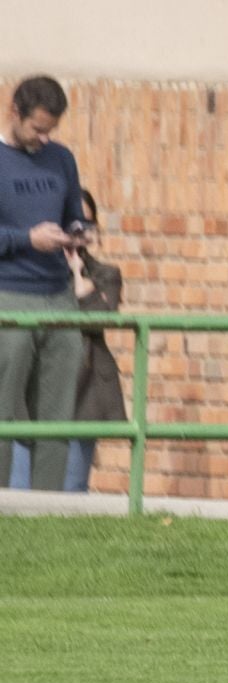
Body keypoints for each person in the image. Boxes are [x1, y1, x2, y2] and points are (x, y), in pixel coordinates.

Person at [0, 75, 88, 492]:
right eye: (37, 128)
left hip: (58, 298)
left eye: (51, 130)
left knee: (56, 415)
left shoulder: (61, 159)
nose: (43, 138)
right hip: (8, 296)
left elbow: (76, 211)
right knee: (3, 410)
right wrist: (26, 239)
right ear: (13, 112)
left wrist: (78, 231)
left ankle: (49, 509)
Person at [8, 189, 122, 492]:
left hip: (80, 396)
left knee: (69, 493)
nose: (78, 231)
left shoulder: (105, 274)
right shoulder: (25, 273)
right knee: (18, 492)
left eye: (86, 224)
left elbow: (100, 316)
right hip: (27, 395)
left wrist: (76, 272)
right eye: (71, 223)